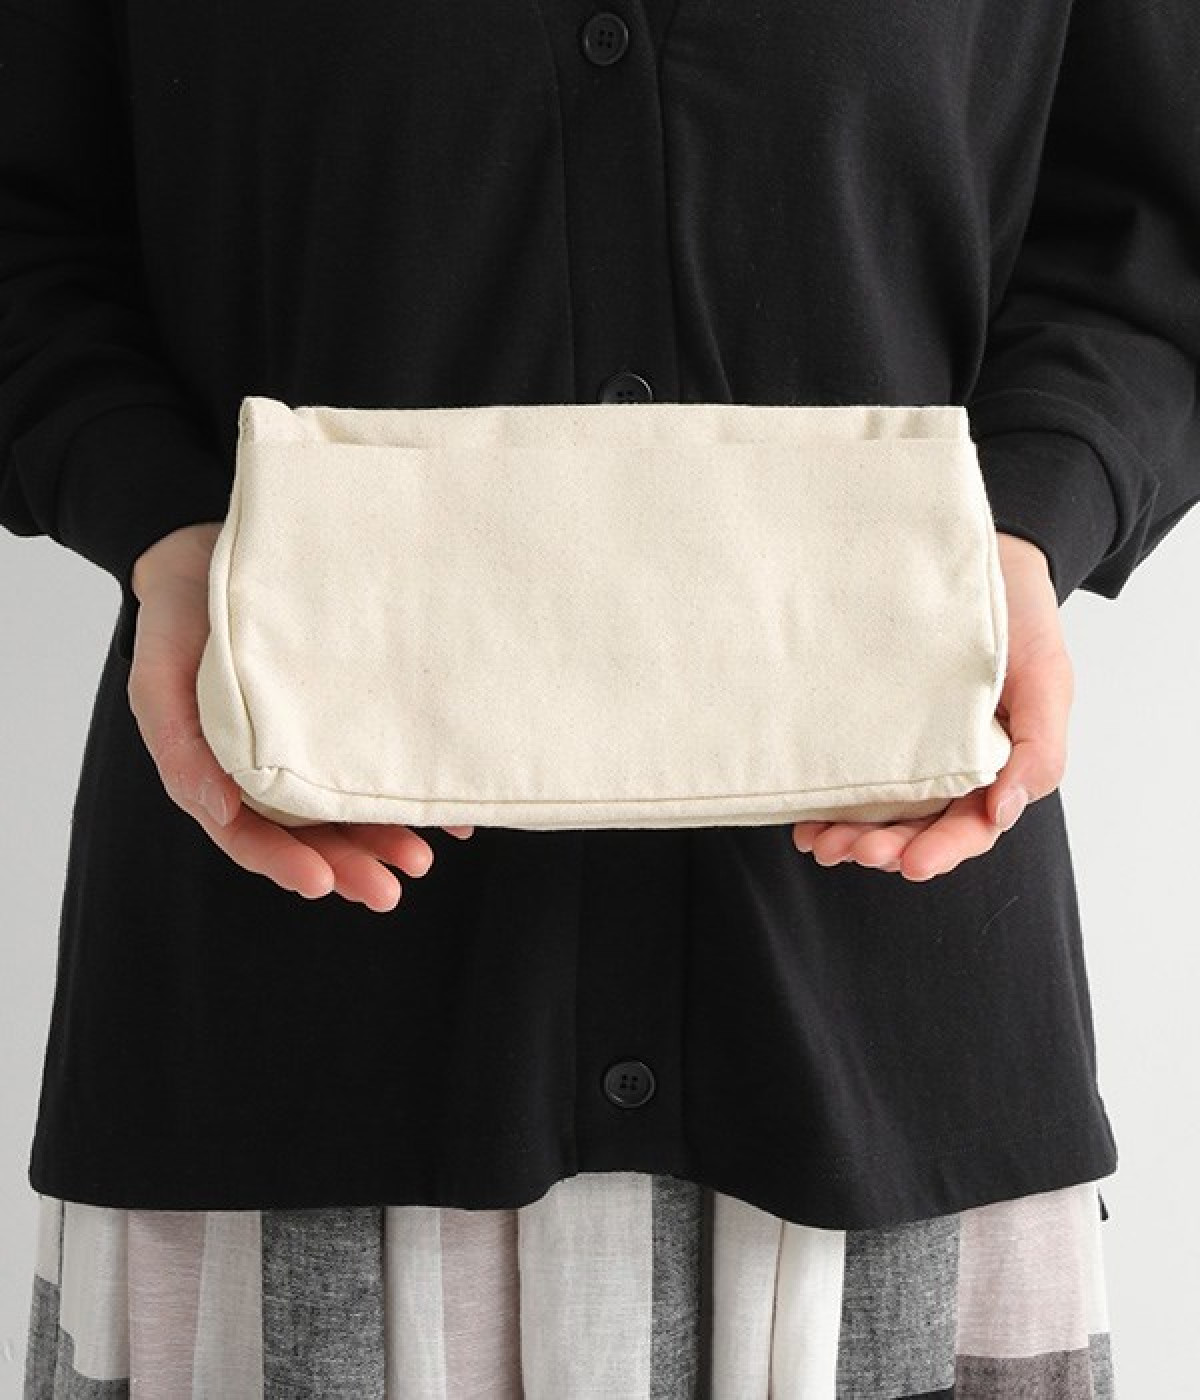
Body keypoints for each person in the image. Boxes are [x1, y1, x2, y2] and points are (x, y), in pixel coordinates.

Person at [4, 0, 1197, 1394]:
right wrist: (162, 531)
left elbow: (1153, 239)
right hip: (295, 1015)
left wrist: (1032, 525)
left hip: (880, 1013)